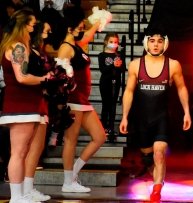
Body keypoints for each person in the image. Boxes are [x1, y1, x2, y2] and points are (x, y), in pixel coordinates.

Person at [119, 28, 192, 202]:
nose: (156, 44)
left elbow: (181, 87)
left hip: (162, 118)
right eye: (152, 41)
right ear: (146, 42)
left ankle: (157, 190)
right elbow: (129, 91)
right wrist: (124, 116)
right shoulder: (135, 65)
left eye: (160, 41)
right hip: (142, 119)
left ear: (165, 43)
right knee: (148, 156)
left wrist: (187, 112)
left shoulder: (173, 64)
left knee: (159, 153)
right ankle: (154, 172)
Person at [0, 9, 51, 203]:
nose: (33, 28)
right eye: (31, 24)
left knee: (24, 152)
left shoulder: (22, 45)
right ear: (23, 25)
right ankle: (16, 197)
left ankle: (22, 194)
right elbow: (21, 77)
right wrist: (45, 79)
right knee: (19, 152)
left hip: (30, 104)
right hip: (20, 105)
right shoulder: (17, 47)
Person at [57, 6, 104, 193]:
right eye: (80, 26)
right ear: (70, 28)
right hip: (73, 100)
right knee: (71, 140)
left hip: (83, 101)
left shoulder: (77, 45)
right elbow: (59, 77)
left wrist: (98, 23)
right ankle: (68, 182)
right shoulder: (65, 48)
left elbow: (86, 38)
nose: (82, 28)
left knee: (100, 137)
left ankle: (73, 174)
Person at [22, 19, 53, 202]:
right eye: (45, 31)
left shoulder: (40, 51)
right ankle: (23, 191)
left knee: (37, 147)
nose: (48, 34)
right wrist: (45, 78)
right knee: (26, 148)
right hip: (29, 102)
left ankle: (29, 187)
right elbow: (24, 77)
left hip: (41, 101)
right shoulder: (27, 50)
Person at [98, 32, 123, 142]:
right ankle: (103, 127)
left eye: (116, 42)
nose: (114, 44)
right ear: (106, 42)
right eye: (111, 42)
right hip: (105, 82)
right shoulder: (102, 55)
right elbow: (103, 70)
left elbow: (122, 70)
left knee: (113, 105)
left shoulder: (119, 55)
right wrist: (113, 65)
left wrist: (119, 66)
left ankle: (112, 127)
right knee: (106, 104)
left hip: (116, 82)